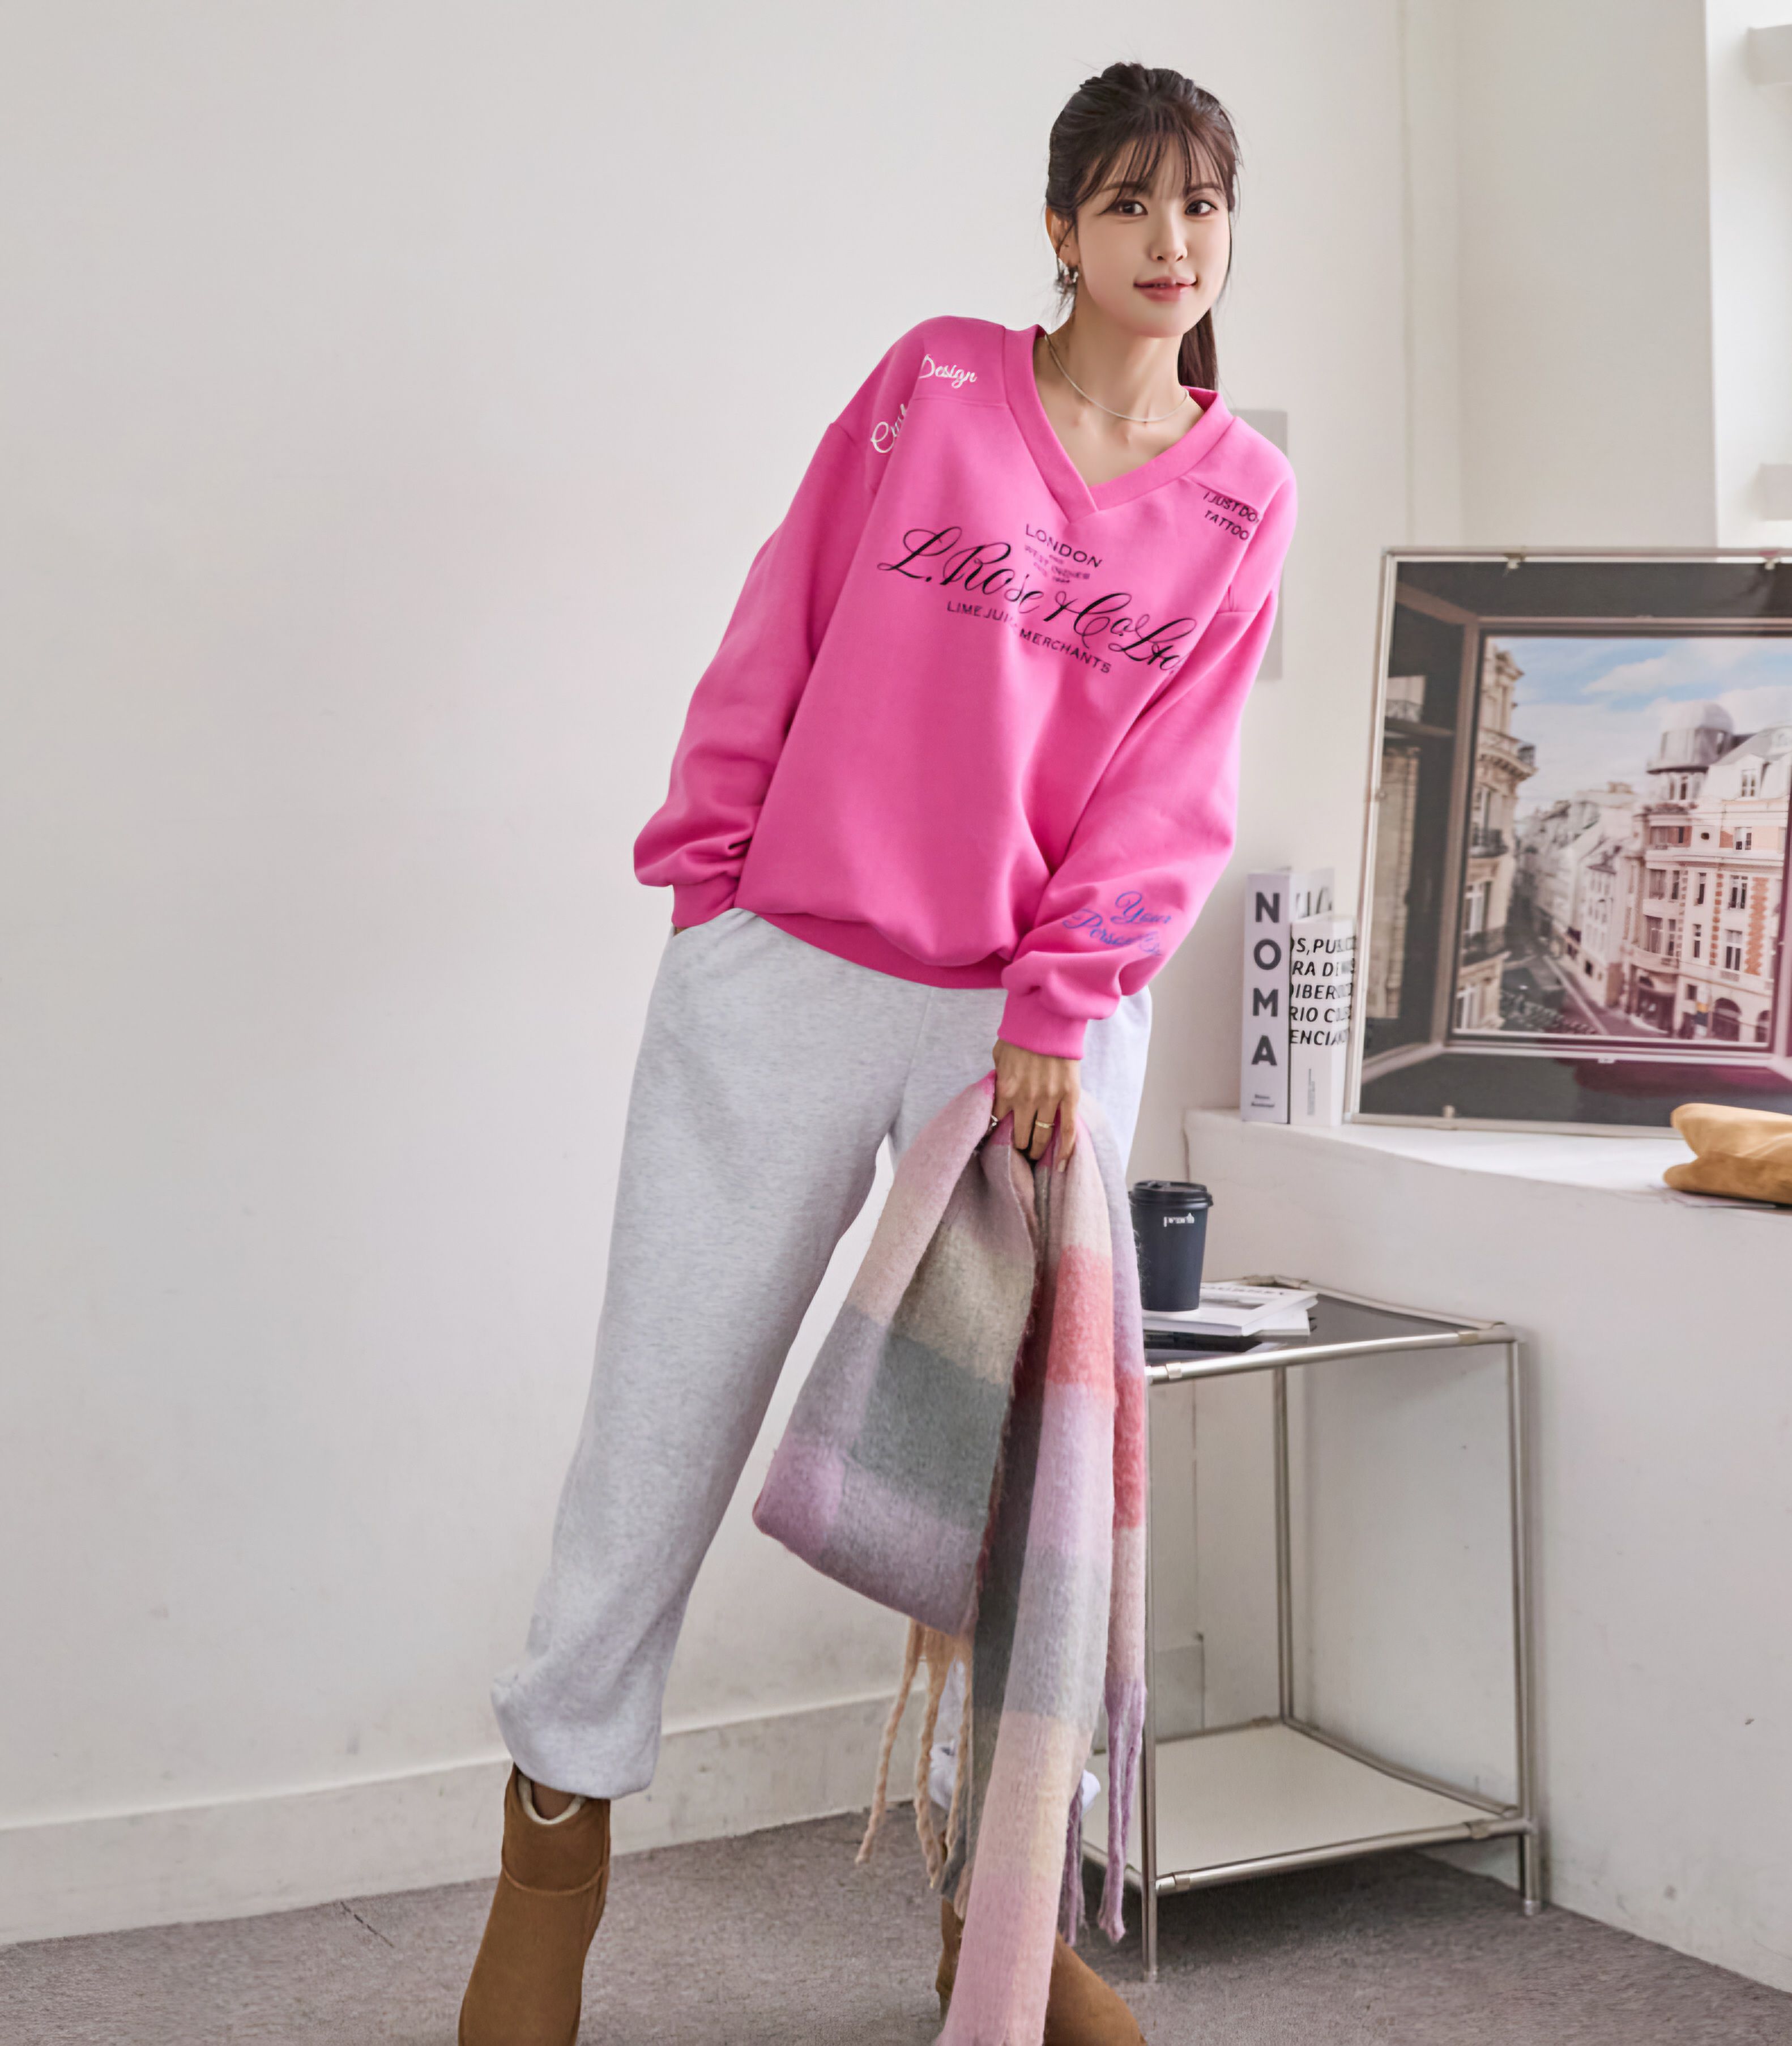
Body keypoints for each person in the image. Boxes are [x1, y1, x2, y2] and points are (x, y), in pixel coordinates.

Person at [458, 58, 1296, 2046]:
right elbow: (787, 614)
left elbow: (1171, 791)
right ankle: (552, 1847)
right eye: (1126, 203)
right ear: (1057, 230)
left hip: (1029, 1030)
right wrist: (712, 880)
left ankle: (993, 1915)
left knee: (1023, 1489)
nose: (1167, 242)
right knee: (660, 1411)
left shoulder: (1241, 494)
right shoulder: (934, 384)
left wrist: (1059, 1001)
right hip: (793, 965)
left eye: (1197, 205)